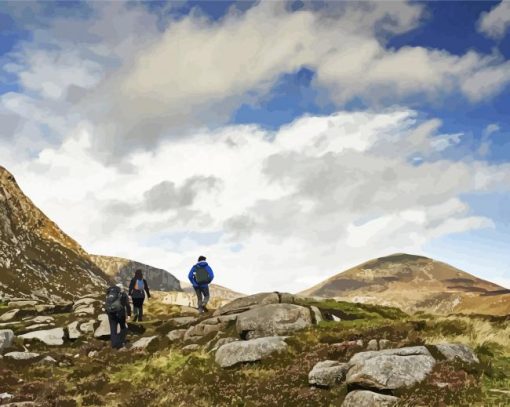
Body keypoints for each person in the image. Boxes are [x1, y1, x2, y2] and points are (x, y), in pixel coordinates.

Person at [105, 283, 131, 349]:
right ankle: (119, 343)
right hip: (120, 313)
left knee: (113, 329)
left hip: (110, 313)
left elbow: (107, 304)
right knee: (124, 328)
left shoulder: (110, 294)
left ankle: (114, 345)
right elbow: (128, 306)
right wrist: (128, 315)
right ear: (121, 288)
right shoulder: (123, 294)